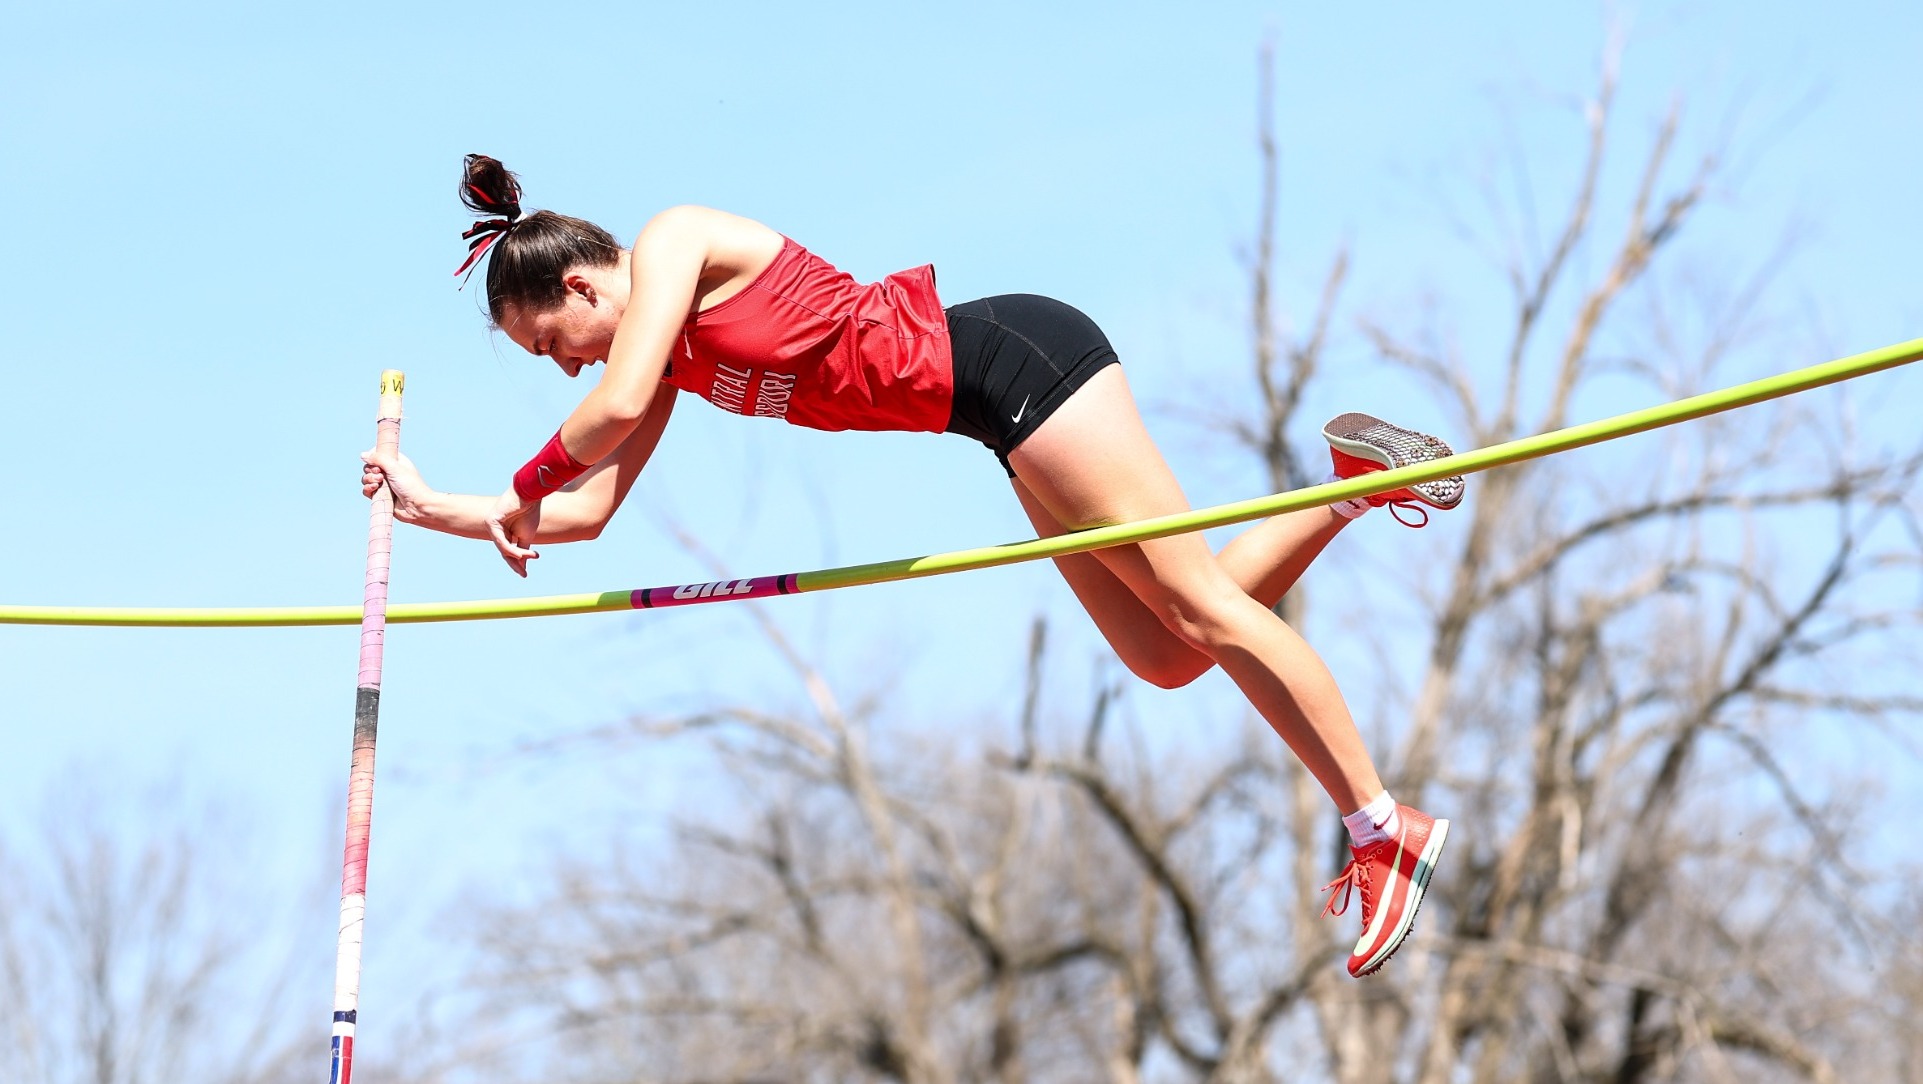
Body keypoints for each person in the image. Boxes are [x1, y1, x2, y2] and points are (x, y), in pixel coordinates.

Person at [361, 154, 1464, 978]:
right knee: (1168, 652)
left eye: (554, 344)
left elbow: (590, 429)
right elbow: (589, 505)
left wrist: (528, 476)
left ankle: (1383, 827)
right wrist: (439, 512)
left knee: (1204, 610)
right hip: (992, 418)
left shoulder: (673, 241)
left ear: (588, 289)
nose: (568, 371)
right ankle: (1356, 478)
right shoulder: (663, 365)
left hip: (1020, 362)